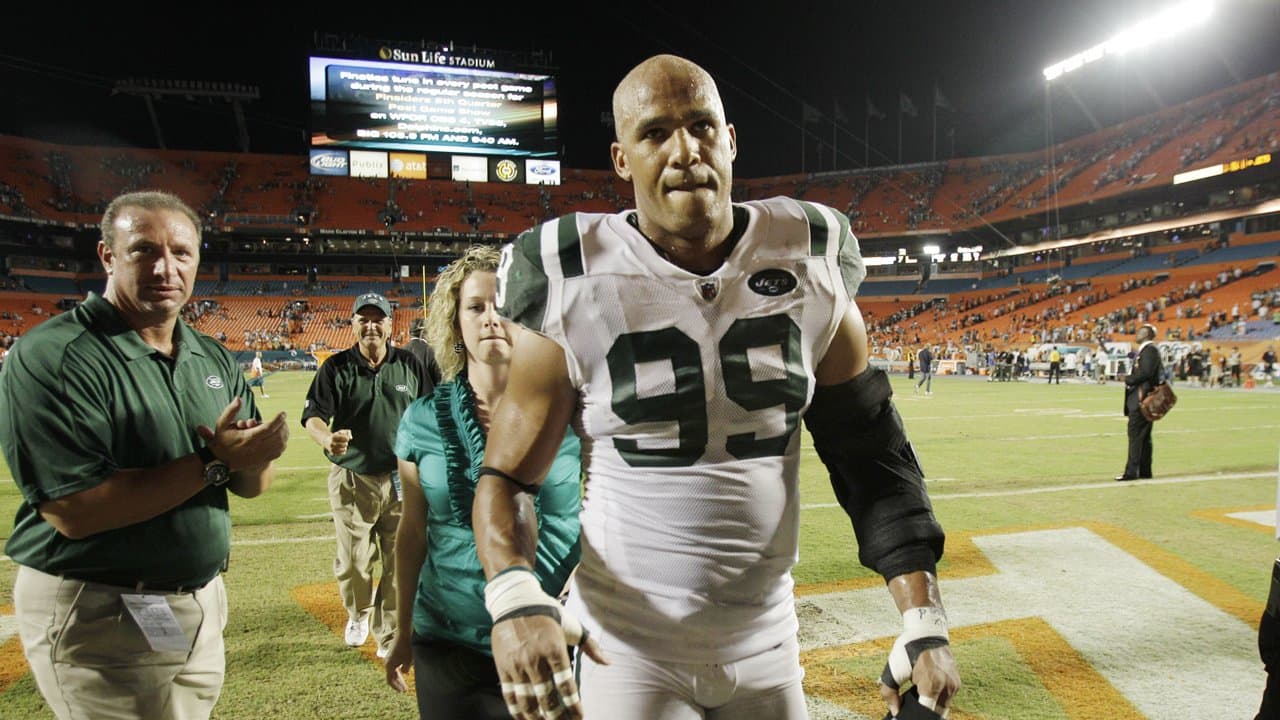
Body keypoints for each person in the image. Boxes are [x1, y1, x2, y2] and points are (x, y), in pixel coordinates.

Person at [472, 54, 959, 720]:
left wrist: (924, 617)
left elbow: (872, 456)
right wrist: (513, 595)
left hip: (767, 641)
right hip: (627, 648)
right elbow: (506, 479)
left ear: (729, 140)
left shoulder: (809, 255)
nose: (684, 151)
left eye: (702, 126)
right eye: (655, 134)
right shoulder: (570, 273)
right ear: (621, 159)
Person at [0, 190, 289, 719]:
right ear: (108, 256)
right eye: (144, 251)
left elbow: (251, 487)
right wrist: (214, 462)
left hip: (197, 602)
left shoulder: (212, 356)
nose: (165, 267)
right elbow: (74, 511)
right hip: (98, 605)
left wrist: (255, 457)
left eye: (182, 253)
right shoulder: (56, 354)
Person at [383, 246, 582, 719]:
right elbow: (412, 532)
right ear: (455, 324)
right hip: (450, 641)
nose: (491, 317)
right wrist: (404, 627)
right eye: (475, 307)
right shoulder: (421, 420)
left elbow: (610, 510)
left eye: (504, 305)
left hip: (552, 633)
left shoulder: (576, 411)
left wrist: (584, 586)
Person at [302, 291, 434, 658]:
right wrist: (327, 438)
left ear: (391, 325)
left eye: (379, 319)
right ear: (354, 324)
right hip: (352, 479)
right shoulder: (335, 367)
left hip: (401, 479)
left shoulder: (409, 364)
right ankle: (358, 613)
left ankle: (388, 629)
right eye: (365, 319)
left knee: (398, 559)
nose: (372, 326)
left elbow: (428, 411)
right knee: (354, 559)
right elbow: (312, 416)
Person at [1117, 323, 1163, 481]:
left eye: (1141, 331)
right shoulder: (1146, 350)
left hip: (1141, 399)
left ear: (1148, 334)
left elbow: (1146, 372)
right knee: (1143, 436)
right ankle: (1144, 470)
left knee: (1136, 436)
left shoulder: (1150, 350)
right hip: (1142, 398)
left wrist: (1127, 378)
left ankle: (1131, 472)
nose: (1137, 334)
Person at [403, 315, 443, 392]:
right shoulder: (432, 352)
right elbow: (440, 382)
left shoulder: (401, 351)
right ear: (425, 333)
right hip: (427, 400)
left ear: (409, 332)